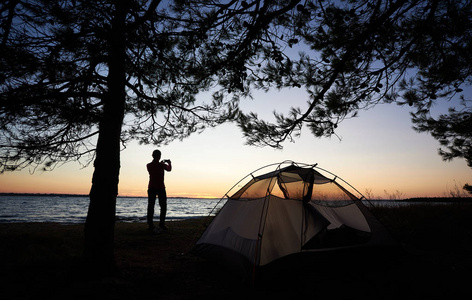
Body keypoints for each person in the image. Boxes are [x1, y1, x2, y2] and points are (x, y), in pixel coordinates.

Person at [147, 150, 172, 232]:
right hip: (160, 187)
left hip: (152, 187)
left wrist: (161, 163)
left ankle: (150, 225)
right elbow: (169, 169)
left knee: (151, 206)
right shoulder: (162, 165)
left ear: (152, 155)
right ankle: (162, 224)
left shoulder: (148, 165)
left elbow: (155, 168)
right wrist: (169, 163)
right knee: (163, 206)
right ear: (160, 156)